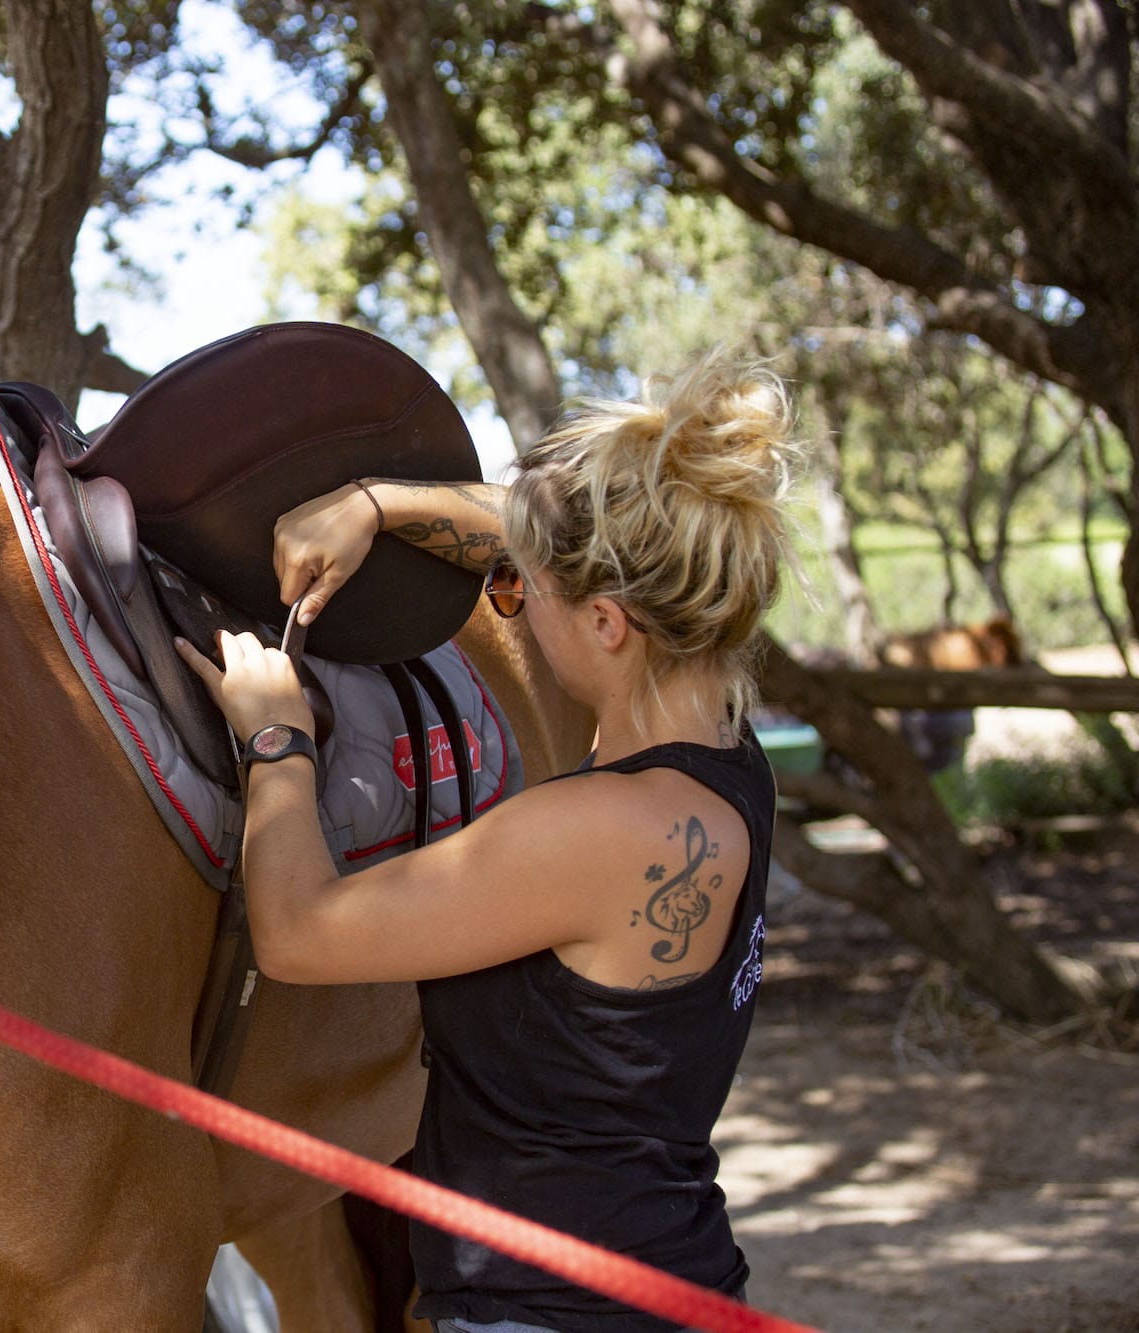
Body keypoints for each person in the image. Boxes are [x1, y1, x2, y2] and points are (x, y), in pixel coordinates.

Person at [176, 348, 800, 1332]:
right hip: (667, 1280)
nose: (503, 598)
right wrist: (376, 507)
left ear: (605, 622)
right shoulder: (728, 758)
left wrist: (275, 737)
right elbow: (532, 527)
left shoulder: (591, 834)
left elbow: (298, 931)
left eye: (515, 594)